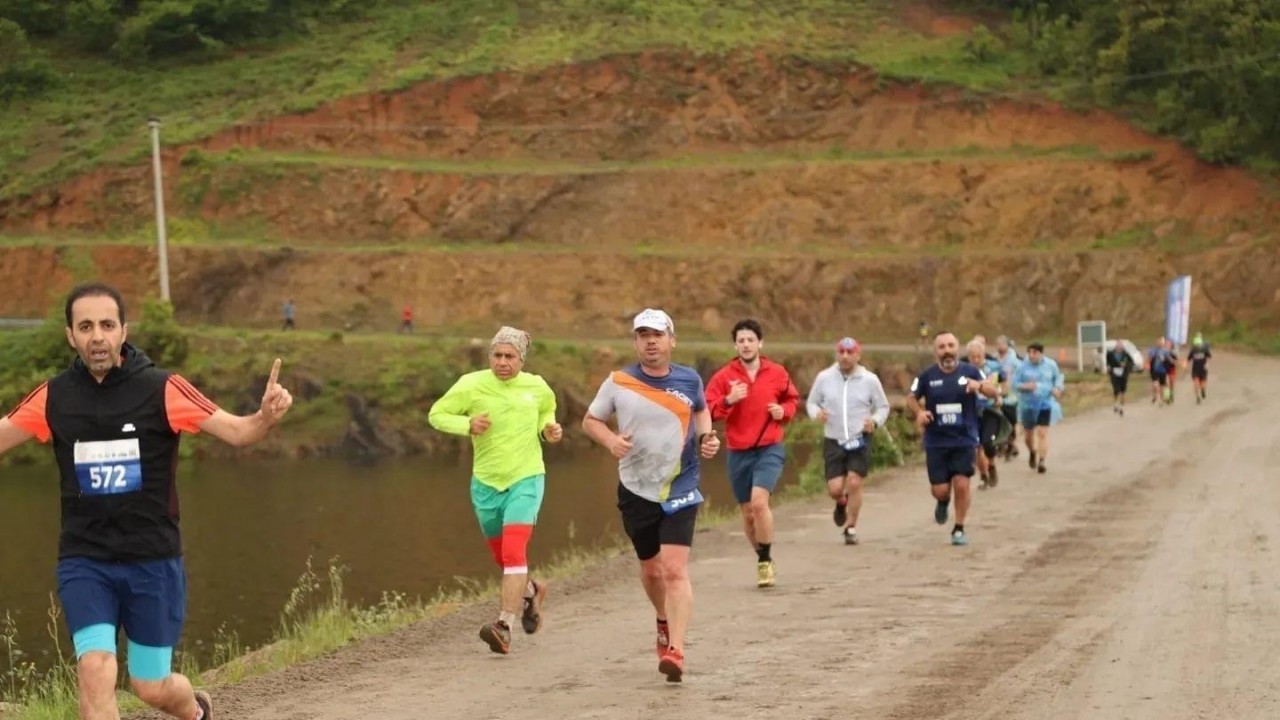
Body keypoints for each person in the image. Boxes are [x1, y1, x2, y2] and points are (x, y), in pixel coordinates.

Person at [0, 282, 295, 720]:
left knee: (150, 685)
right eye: (85, 326)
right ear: (70, 336)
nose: (96, 336)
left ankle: (194, 710)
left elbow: (239, 432)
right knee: (95, 667)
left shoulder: (163, 389)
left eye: (106, 324)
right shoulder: (54, 397)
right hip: (86, 559)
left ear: (123, 331)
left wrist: (265, 417)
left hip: (152, 561)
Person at [582, 308, 720, 683]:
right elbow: (590, 421)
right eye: (643, 335)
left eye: (657, 335)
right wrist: (611, 440)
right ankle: (662, 618)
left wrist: (707, 438)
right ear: (636, 342)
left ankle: (676, 650)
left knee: (675, 570)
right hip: (636, 488)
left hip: (681, 486)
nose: (651, 342)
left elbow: (703, 411)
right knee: (651, 569)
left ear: (671, 340)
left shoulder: (689, 380)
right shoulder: (619, 381)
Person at [427, 326, 561, 655]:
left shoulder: (537, 386)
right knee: (502, 558)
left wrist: (548, 430)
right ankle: (531, 592)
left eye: (509, 356)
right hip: (486, 483)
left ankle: (503, 625)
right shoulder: (471, 385)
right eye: (497, 355)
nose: (502, 362)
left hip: (527, 478)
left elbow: (547, 411)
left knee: (515, 552)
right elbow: (436, 414)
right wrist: (466, 425)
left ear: (521, 359)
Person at [703, 319, 800, 587]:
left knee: (759, 503)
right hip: (738, 451)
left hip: (769, 446)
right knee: (747, 513)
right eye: (741, 340)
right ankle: (762, 557)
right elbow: (706, 410)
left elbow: (792, 399)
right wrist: (728, 400)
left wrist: (785, 412)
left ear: (760, 343)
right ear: (735, 345)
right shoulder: (724, 377)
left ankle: (766, 561)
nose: (746, 344)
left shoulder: (777, 372)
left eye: (750, 340)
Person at [906, 331, 998, 546]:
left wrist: (980, 386)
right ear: (936, 351)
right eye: (942, 347)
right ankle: (943, 501)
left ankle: (959, 527)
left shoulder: (971, 371)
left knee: (962, 483)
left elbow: (994, 392)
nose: (947, 350)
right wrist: (919, 412)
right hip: (936, 440)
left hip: (964, 438)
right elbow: (911, 397)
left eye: (950, 345)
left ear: (958, 348)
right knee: (940, 489)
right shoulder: (927, 375)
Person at [805, 337, 890, 545]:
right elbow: (811, 402)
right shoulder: (824, 377)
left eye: (849, 352)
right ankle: (841, 502)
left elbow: (883, 407)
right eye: (841, 352)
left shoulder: (869, 379)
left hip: (859, 437)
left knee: (854, 482)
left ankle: (850, 527)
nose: (844, 356)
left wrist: (875, 421)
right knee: (835, 489)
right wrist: (817, 414)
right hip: (834, 438)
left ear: (858, 355)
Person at [1013, 342, 1065, 474]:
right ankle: (1032, 451)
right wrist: (1025, 386)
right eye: (1029, 352)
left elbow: (1058, 379)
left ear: (1041, 353)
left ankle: (1042, 461)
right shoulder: (1022, 367)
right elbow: (1014, 384)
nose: (1031, 355)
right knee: (1028, 436)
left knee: (1042, 433)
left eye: (1034, 352)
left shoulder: (1050, 365)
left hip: (1045, 403)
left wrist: (1057, 388)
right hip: (1027, 405)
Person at [965, 339, 1009, 490]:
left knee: (987, 443)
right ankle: (984, 476)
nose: (976, 360)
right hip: (971, 411)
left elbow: (1004, 382)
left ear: (984, 355)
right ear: (968, 356)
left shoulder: (994, 367)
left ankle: (991, 465)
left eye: (979, 356)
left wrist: (1001, 394)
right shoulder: (963, 370)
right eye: (973, 357)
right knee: (976, 446)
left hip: (990, 410)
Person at [994, 335, 1021, 460]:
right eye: (998, 344)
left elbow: (1022, 373)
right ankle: (1003, 444)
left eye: (1002, 344)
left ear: (1007, 345)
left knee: (1012, 421)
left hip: (1012, 396)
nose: (1000, 347)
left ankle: (1011, 443)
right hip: (997, 395)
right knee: (999, 421)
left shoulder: (1014, 359)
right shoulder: (994, 359)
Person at [1106, 340, 1136, 415]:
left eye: (1120, 346)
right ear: (1116, 347)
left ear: (1122, 347)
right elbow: (1108, 362)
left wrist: (1126, 366)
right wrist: (1108, 366)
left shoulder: (1126, 354)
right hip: (1114, 374)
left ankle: (1121, 406)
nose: (1119, 348)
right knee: (1116, 389)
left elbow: (1131, 363)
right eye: (1118, 346)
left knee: (1122, 390)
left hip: (1123, 374)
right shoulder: (1110, 354)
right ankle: (1116, 404)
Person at [1186, 332, 1212, 403]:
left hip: (1199, 368)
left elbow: (1188, 359)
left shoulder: (1195, 349)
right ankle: (1199, 395)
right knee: (1197, 383)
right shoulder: (1203, 348)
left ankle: (1200, 393)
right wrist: (1207, 363)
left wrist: (1186, 365)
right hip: (1200, 368)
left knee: (1199, 383)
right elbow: (1209, 356)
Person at [1147, 337, 1171, 405]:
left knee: (1163, 385)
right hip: (1154, 370)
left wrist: (1175, 362)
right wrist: (1152, 358)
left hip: (1162, 370)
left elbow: (1169, 359)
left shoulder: (1165, 351)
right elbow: (1149, 359)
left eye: (1161, 342)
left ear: (1163, 343)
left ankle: (1163, 398)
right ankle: (1155, 396)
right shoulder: (1152, 350)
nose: (1159, 343)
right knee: (1155, 384)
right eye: (1158, 342)